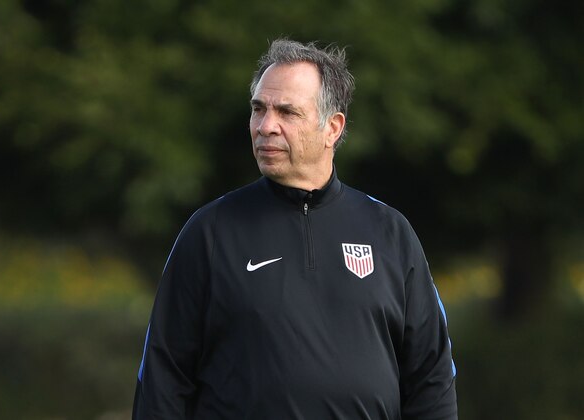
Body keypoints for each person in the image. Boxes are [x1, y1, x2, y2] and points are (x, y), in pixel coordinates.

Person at [132, 39, 457, 420]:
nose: (266, 126)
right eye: (258, 109)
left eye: (287, 112)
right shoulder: (210, 231)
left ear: (332, 128)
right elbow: (163, 379)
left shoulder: (390, 232)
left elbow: (432, 378)